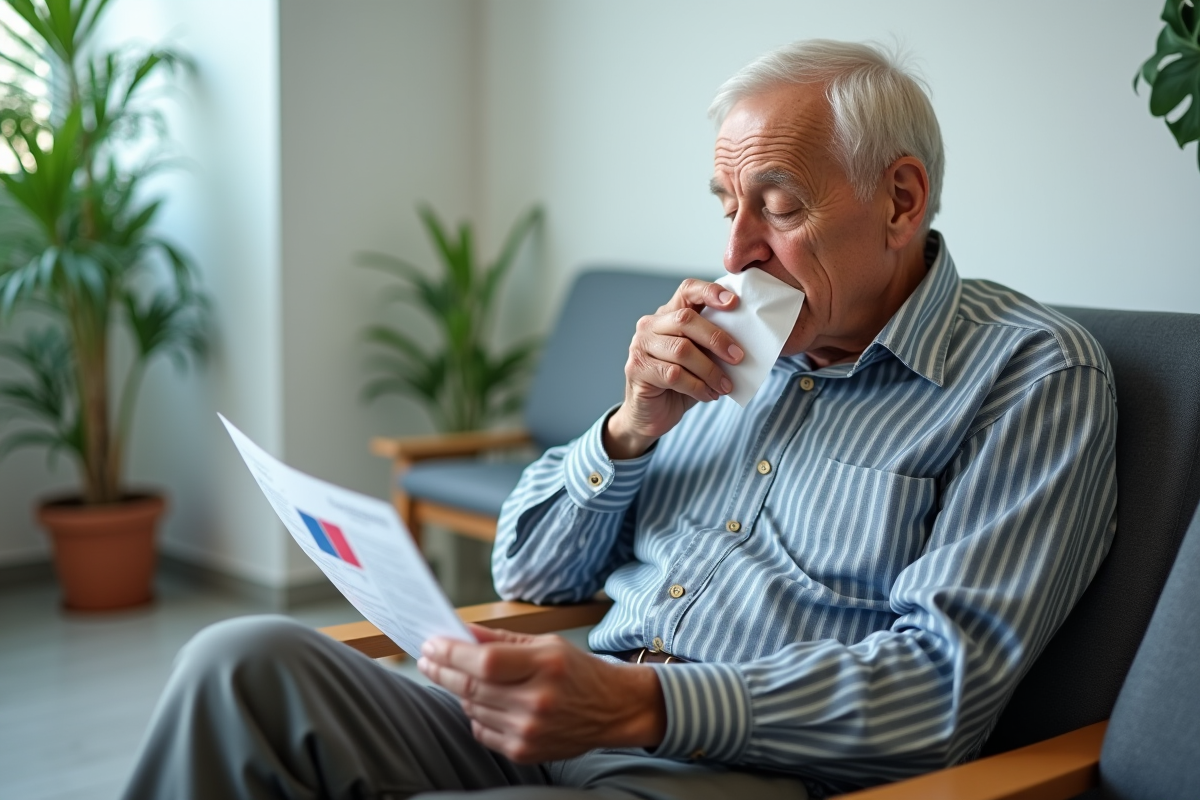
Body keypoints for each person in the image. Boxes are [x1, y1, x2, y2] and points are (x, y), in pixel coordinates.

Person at [121, 40, 1116, 800]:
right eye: (725, 202)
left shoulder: (1029, 373)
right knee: (238, 661)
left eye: (777, 206)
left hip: (727, 768)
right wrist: (629, 427)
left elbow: (939, 693)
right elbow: (528, 572)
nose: (737, 249)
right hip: (567, 706)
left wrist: (644, 703)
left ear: (900, 198)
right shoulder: (720, 354)